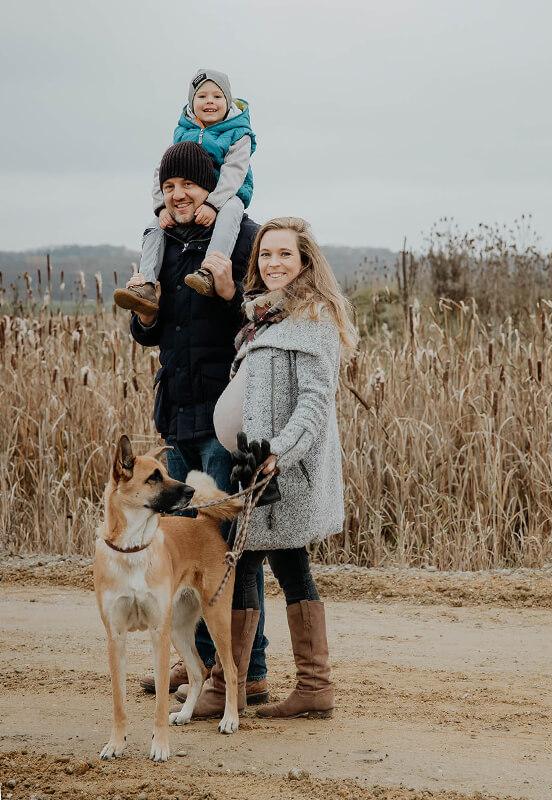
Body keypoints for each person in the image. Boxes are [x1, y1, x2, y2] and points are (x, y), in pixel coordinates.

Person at [173, 216, 357, 721]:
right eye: (267, 255)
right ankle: (289, 685)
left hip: (282, 472)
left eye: (285, 255)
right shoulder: (263, 317)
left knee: (249, 564)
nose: (274, 264)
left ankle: (231, 685)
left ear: (304, 263)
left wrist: (278, 450)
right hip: (255, 469)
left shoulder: (312, 320)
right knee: (276, 566)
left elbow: (315, 403)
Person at [126, 140, 268, 705]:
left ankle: (245, 673)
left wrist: (232, 294)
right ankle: (200, 664)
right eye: (169, 187)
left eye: (187, 185)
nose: (178, 195)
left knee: (227, 546)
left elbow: (259, 319)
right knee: (185, 544)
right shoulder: (163, 245)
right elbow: (153, 335)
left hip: (222, 417)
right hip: (176, 415)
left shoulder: (238, 237)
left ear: (211, 188)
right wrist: (144, 314)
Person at [114, 68, 256, 312]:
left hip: (229, 194)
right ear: (192, 102)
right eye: (201, 96)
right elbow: (162, 170)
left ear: (228, 101)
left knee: (231, 210)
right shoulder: (182, 131)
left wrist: (213, 204)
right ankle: (146, 284)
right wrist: (161, 208)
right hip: (191, 202)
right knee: (154, 227)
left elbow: (234, 172)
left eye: (217, 96)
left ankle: (210, 270)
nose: (209, 101)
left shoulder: (239, 132)